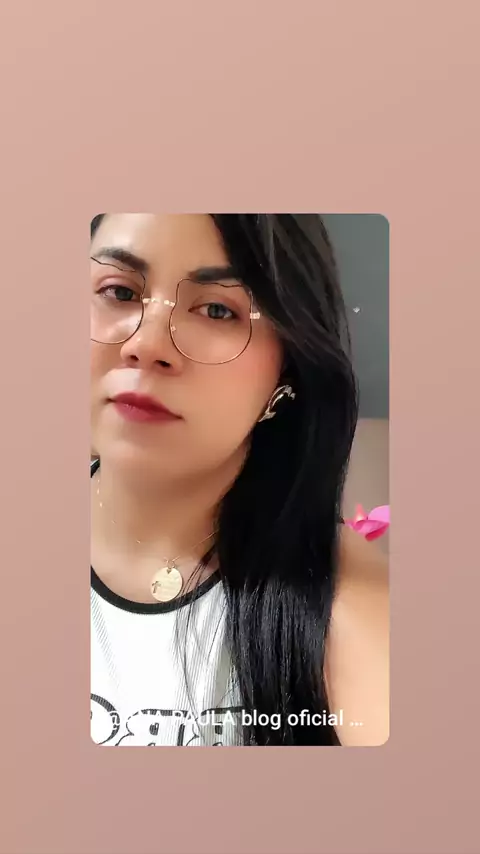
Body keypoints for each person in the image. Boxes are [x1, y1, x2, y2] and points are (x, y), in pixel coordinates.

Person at [90, 213, 389, 747]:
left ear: (286, 372)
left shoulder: (352, 611)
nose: (146, 343)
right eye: (119, 291)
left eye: (216, 309)